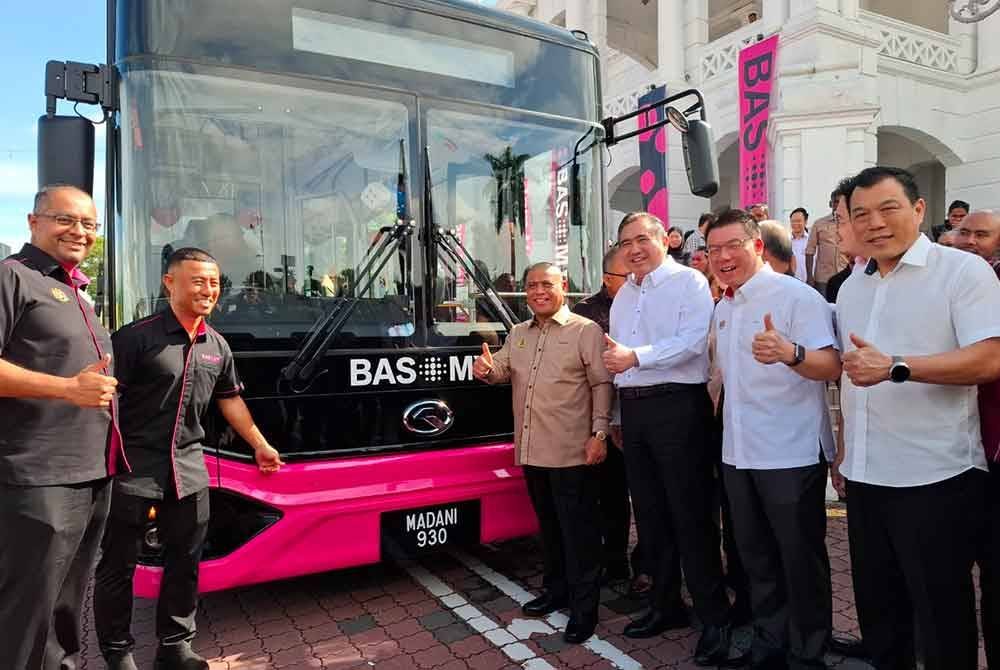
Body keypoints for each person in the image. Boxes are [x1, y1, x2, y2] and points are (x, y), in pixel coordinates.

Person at [837, 167, 1000, 670]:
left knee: (941, 618)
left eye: (888, 208)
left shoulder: (963, 272)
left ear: (919, 209)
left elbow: (990, 359)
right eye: (860, 213)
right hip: (865, 477)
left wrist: (898, 367)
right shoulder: (851, 287)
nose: (874, 223)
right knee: (881, 614)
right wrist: (845, 450)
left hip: (936, 476)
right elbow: (851, 373)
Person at [95, 247, 284, 670]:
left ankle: (175, 646)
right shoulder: (134, 338)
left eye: (214, 283)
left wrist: (259, 444)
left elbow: (229, 400)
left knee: (185, 561)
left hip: (189, 470)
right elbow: (102, 399)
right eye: (197, 280)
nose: (208, 290)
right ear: (169, 283)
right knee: (117, 566)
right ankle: (117, 652)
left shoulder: (216, 344)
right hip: (133, 470)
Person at [707, 209, 841, 669]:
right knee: (755, 557)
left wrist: (791, 353)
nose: (723, 257)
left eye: (732, 246)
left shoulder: (796, 297)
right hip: (738, 453)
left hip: (790, 451)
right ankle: (769, 643)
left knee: (799, 557)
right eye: (713, 250)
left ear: (757, 247)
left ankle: (808, 652)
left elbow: (831, 366)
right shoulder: (723, 306)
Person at [0, 184, 126, 670]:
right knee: (27, 612)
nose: (80, 232)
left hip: (89, 470)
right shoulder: (14, 278)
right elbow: (68, 383)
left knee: (65, 608)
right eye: (65, 220)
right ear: (34, 222)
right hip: (38, 475)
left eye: (89, 224)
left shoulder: (75, 289)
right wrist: (66, 390)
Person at [604, 212, 732, 665]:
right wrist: (618, 415)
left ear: (664, 239)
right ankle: (665, 604)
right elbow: (615, 363)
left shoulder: (690, 283)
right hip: (636, 412)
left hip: (678, 407)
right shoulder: (624, 298)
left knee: (692, 514)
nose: (634, 249)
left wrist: (636, 355)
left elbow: (694, 342)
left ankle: (715, 617)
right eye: (625, 243)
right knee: (652, 515)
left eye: (642, 239)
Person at [473, 262, 613, 644]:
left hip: (573, 454)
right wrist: (484, 370)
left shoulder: (586, 330)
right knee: (549, 530)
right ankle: (556, 592)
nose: (538, 292)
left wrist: (599, 433)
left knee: (579, 535)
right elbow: (501, 370)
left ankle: (585, 611)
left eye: (546, 285)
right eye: (531, 285)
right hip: (533, 452)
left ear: (562, 287)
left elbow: (602, 383)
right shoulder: (518, 333)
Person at [571, 246, 637, 584]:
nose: (634, 281)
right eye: (626, 276)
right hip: (596, 415)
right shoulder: (584, 313)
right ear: (608, 279)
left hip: (634, 411)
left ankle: (622, 561)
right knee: (602, 492)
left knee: (626, 492)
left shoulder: (643, 304)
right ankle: (603, 558)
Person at [955, 210, 1000, 669]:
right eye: (963, 232)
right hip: (965, 451)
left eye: (981, 235)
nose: (969, 241)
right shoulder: (950, 286)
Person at [805, 192, 846, 296]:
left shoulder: (850, 223)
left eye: (841, 202)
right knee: (824, 308)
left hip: (845, 275)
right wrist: (810, 276)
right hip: (824, 278)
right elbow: (809, 251)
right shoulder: (819, 224)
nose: (838, 205)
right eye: (836, 201)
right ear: (830, 203)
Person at [789, 208, 809, 282]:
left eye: (798, 221)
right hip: (791, 282)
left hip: (808, 283)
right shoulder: (786, 241)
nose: (795, 224)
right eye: (793, 221)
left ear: (806, 222)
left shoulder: (811, 241)